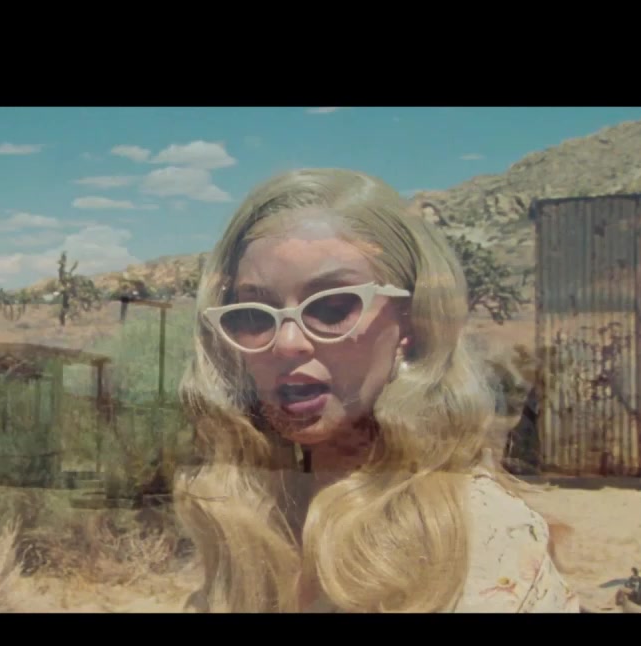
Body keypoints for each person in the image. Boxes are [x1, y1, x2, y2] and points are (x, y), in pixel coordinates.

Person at [174, 168, 580, 613]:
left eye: (332, 307)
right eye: (254, 315)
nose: (287, 343)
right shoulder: (249, 516)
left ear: (411, 321)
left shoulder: (475, 536)